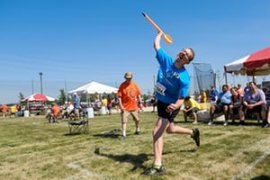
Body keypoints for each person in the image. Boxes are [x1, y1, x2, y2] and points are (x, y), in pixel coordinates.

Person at [144, 32, 200, 176]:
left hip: (171, 104)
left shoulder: (184, 77)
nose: (183, 53)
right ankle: (193, 132)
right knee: (170, 129)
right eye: (183, 50)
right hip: (161, 101)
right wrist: (159, 34)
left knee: (157, 131)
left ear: (187, 61)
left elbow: (182, 98)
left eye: (187, 54)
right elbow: (156, 46)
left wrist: (176, 106)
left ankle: (158, 166)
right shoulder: (167, 60)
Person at [117, 72, 143, 138]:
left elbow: (138, 94)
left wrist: (140, 103)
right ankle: (124, 134)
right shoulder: (122, 85)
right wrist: (121, 106)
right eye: (127, 78)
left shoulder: (134, 84)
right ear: (125, 78)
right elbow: (119, 97)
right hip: (125, 108)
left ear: (131, 77)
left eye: (130, 78)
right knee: (124, 121)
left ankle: (137, 130)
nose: (128, 79)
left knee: (137, 120)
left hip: (134, 107)